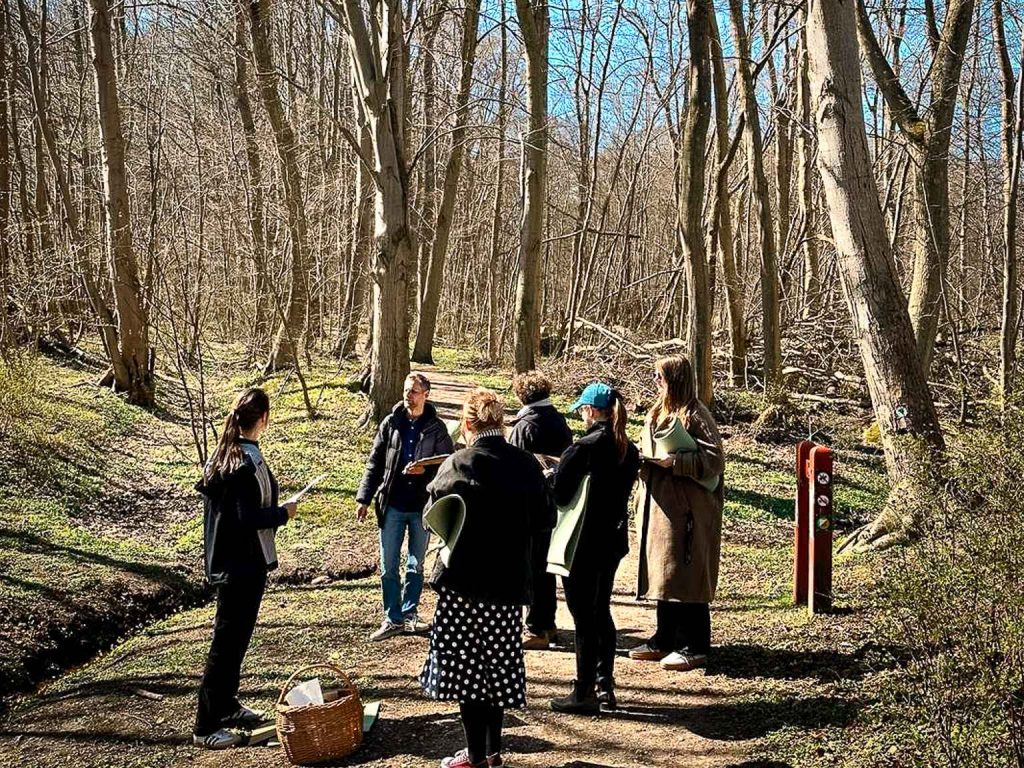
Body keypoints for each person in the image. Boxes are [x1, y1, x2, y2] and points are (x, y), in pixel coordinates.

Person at [420, 388, 551, 768]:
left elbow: (434, 516)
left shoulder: (458, 464)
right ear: (502, 421)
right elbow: (546, 520)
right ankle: (493, 754)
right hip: (508, 587)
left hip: (464, 585)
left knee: (467, 673)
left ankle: (475, 756)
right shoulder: (526, 465)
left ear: (467, 423)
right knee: (497, 669)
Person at [193, 388, 298, 749]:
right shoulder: (241, 462)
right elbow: (246, 517)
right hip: (239, 564)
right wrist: (283, 513)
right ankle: (205, 726)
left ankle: (227, 704)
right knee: (225, 643)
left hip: (236, 562)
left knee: (236, 640)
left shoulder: (229, 453)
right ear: (263, 419)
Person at [547, 382, 640, 714]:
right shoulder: (628, 449)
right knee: (601, 612)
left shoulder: (581, 449)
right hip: (612, 541)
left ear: (590, 411)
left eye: (583, 410)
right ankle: (605, 686)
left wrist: (552, 475)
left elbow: (560, 495)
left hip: (580, 543)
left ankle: (583, 690)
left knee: (583, 617)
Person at [630, 354, 724, 672]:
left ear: (676, 379)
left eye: (661, 377)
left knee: (688, 572)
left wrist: (676, 463)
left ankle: (695, 645)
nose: (656, 382)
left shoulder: (697, 415)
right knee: (664, 573)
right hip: (659, 507)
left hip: (688, 510)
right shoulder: (659, 410)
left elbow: (714, 462)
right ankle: (664, 638)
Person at [356, 372, 455, 641]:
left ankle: (410, 613)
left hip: (422, 507)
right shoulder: (391, 423)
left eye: (414, 391)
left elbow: (449, 463)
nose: (408, 396)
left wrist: (425, 469)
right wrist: (364, 498)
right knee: (389, 565)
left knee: (416, 564)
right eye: (406, 390)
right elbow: (375, 462)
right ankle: (392, 618)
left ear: (426, 395)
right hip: (392, 504)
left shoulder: (436, 427)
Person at [506, 370, 572, 651]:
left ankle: (535, 627)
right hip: (556, 504)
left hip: (529, 507)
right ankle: (549, 623)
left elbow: (515, 469)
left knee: (531, 568)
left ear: (522, 394)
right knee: (546, 567)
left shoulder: (524, 426)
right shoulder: (560, 421)